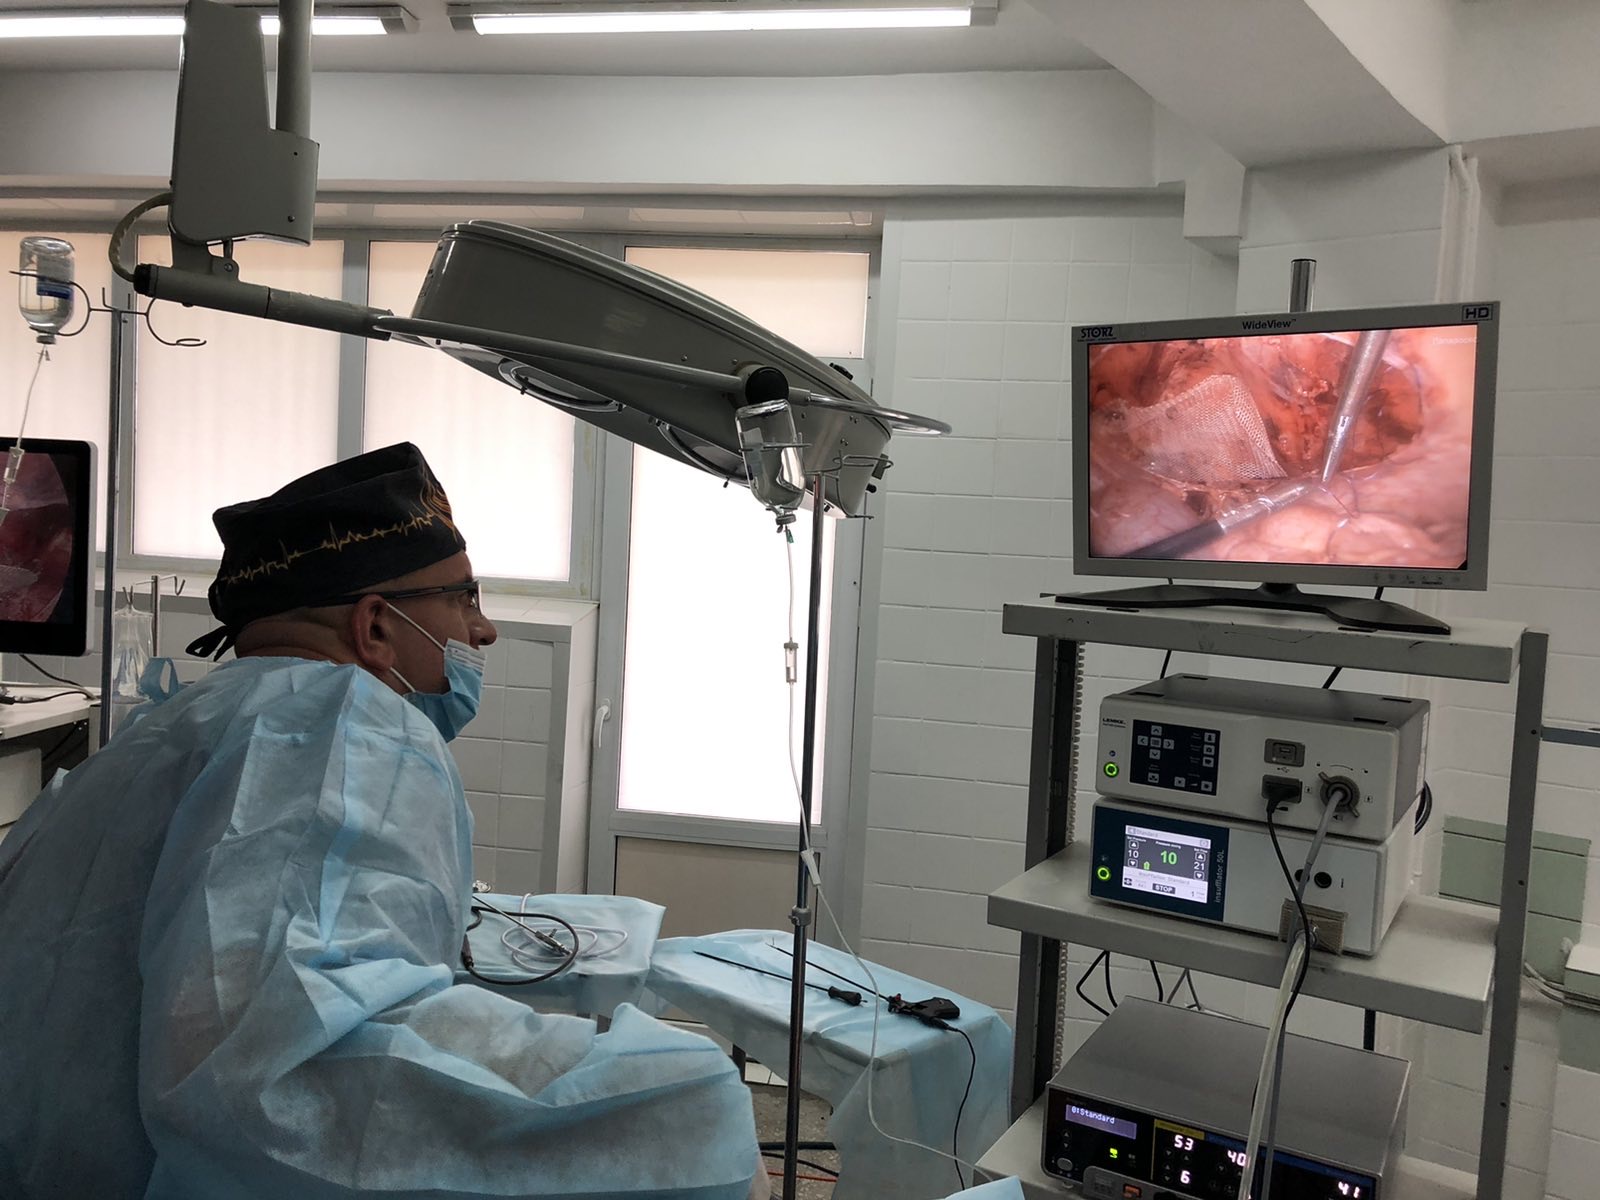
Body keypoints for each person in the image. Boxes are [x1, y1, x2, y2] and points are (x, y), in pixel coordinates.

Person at [0, 443, 765, 1200]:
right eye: (464, 598)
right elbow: (275, 1074)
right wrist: (670, 1100)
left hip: (47, 1161)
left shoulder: (172, 727)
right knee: (692, 1107)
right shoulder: (338, 722)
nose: (484, 631)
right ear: (374, 628)